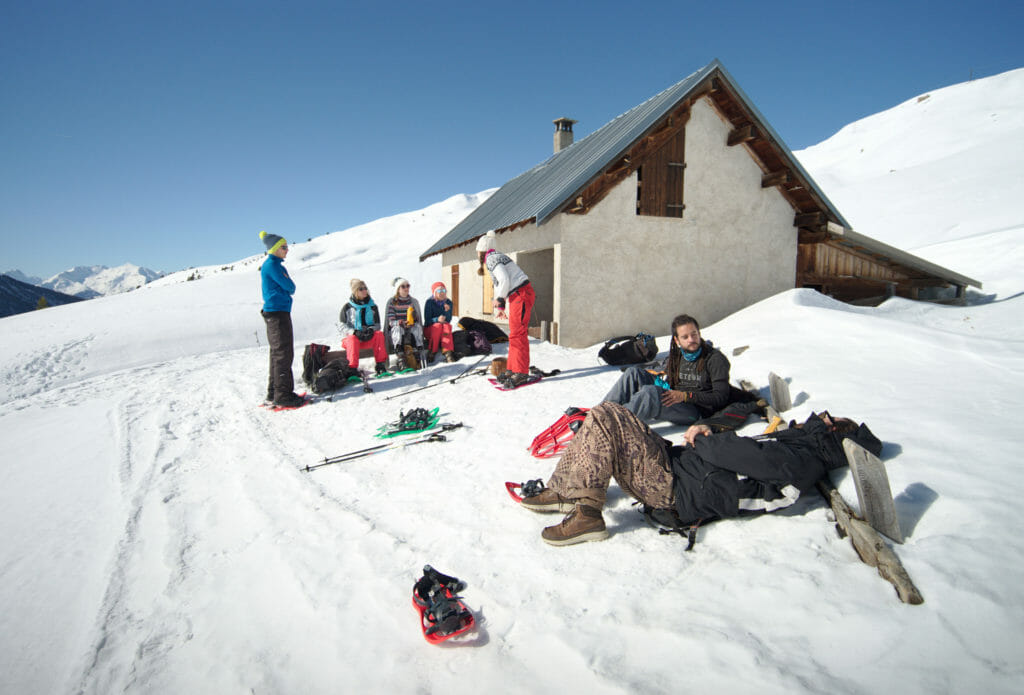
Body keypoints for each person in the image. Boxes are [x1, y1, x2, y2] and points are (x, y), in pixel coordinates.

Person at [520, 401, 881, 546]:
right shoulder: (800, 446)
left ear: (834, 434)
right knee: (604, 416)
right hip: (677, 468)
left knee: (606, 416)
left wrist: (705, 438)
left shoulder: (801, 459)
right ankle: (567, 491)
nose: (821, 417)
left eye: (830, 421)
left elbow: (748, 457)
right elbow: (744, 451)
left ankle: (586, 513)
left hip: (677, 489)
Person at [603, 314, 732, 426]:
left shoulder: (715, 360)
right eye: (685, 337)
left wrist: (686, 396)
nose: (691, 340)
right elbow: (671, 382)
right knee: (633, 373)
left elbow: (721, 397)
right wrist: (663, 384)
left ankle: (609, 425)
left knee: (651, 394)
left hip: (696, 411)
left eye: (694, 334)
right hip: (676, 397)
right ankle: (601, 413)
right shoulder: (678, 356)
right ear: (677, 340)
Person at [476, 230, 535, 388]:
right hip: (517, 295)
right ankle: (513, 368)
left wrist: (499, 299)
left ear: (480, 251)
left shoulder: (491, 259)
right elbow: (501, 283)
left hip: (521, 294)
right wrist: (501, 306)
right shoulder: (497, 256)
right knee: (514, 335)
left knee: (518, 334)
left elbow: (504, 279)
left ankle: (521, 372)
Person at [259, 231, 305, 408]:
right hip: (278, 313)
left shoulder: (274, 265)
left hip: (277, 312)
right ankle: (283, 395)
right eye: (284, 247)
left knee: (277, 353)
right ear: (275, 248)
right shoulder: (273, 266)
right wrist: (287, 288)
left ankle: (274, 393)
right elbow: (290, 286)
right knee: (283, 354)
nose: (287, 250)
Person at [338, 278, 389, 375]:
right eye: (361, 289)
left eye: (365, 288)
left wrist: (371, 330)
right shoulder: (347, 307)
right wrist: (354, 332)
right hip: (352, 340)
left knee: (379, 335)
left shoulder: (372, 306)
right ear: (355, 291)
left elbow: (377, 324)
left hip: (367, 338)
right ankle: (352, 369)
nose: (364, 290)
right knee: (352, 339)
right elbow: (342, 326)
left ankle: (380, 365)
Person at [384, 277, 428, 371]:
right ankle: (400, 357)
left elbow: (417, 319)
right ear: (398, 289)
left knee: (417, 327)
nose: (406, 288)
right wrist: (400, 322)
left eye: (407, 286)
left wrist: (413, 318)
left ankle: (417, 354)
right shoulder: (392, 302)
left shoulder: (413, 302)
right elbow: (391, 321)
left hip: (410, 328)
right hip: (397, 331)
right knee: (397, 329)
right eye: (403, 286)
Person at [423, 281, 457, 363]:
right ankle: (432, 351)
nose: (442, 293)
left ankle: (448, 352)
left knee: (447, 326)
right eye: (439, 291)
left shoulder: (448, 302)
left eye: (444, 291)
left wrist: (447, 311)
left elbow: (448, 320)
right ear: (434, 292)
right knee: (438, 325)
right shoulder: (429, 302)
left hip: (443, 331)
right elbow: (427, 321)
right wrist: (437, 320)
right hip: (430, 330)